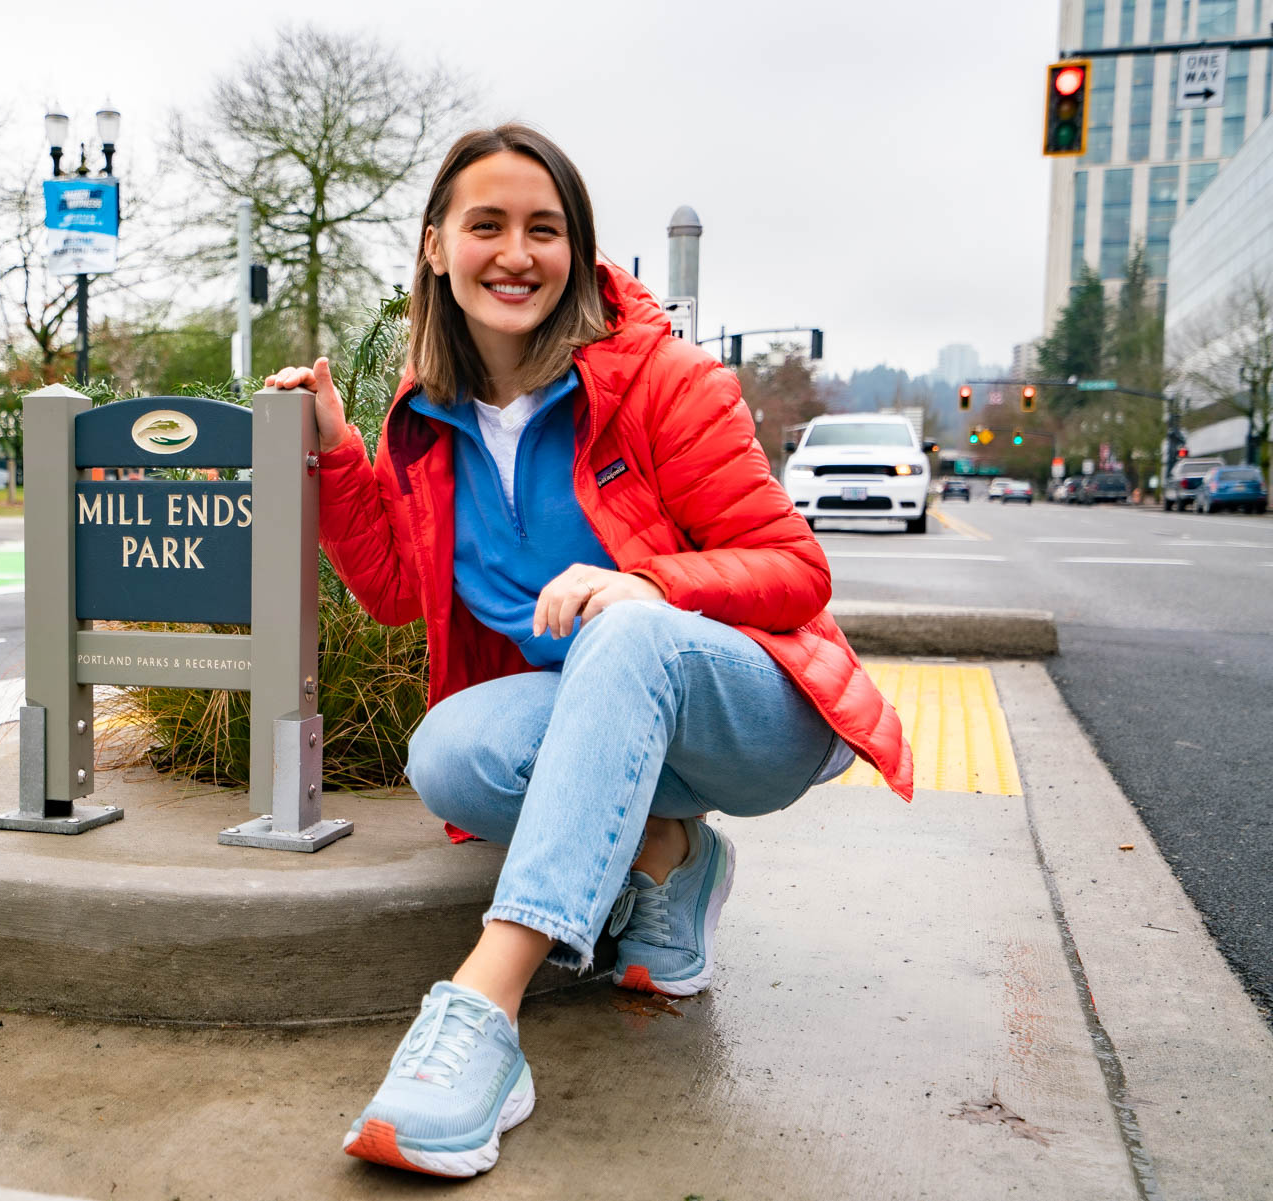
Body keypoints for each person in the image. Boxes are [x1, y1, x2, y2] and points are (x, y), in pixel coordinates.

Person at [266, 124, 913, 1179]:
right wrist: (339, 452)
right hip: (598, 712)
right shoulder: (426, 417)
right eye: (487, 225)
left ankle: (484, 1007)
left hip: (752, 710)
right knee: (446, 753)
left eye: (544, 229)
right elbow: (392, 590)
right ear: (436, 247)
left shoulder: (661, 380)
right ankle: (669, 854)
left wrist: (649, 584)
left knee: (626, 633)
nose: (515, 252)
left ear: (577, 252)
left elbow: (795, 569)